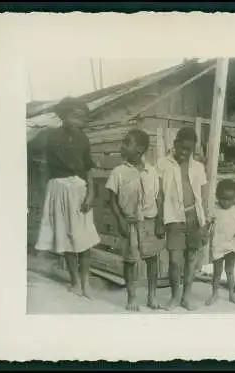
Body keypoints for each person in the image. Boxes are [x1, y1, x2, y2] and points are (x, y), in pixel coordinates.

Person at [35, 96, 100, 299]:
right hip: (59, 188)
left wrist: (91, 192)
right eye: (76, 116)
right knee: (68, 237)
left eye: (82, 117)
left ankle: (86, 282)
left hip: (79, 188)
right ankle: (75, 282)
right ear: (64, 115)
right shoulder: (51, 136)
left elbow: (88, 167)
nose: (80, 120)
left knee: (85, 237)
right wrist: (47, 193)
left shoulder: (83, 138)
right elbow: (43, 166)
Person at [106, 129, 164, 312]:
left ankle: (152, 296)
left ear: (139, 149)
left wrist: (160, 221)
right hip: (129, 222)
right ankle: (132, 297)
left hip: (149, 221)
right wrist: (120, 220)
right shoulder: (118, 172)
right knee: (130, 261)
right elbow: (112, 200)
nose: (122, 146)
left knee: (152, 260)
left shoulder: (152, 171)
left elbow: (159, 197)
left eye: (126, 143)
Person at [155, 127, 210, 311]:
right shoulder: (163, 165)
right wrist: (159, 221)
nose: (185, 152)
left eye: (189, 149)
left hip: (194, 217)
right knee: (174, 260)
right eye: (182, 148)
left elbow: (203, 197)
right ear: (175, 144)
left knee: (191, 259)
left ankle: (186, 296)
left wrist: (205, 224)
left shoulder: (198, 167)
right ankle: (174, 297)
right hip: (174, 219)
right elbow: (160, 196)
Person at [205, 179, 235, 306]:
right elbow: (208, 224)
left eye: (230, 199)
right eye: (223, 199)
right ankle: (214, 294)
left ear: (234, 198)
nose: (226, 202)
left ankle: (231, 294)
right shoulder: (214, 209)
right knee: (217, 271)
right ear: (218, 197)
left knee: (230, 270)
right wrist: (205, 233)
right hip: (218, 243)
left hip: (232, 243)